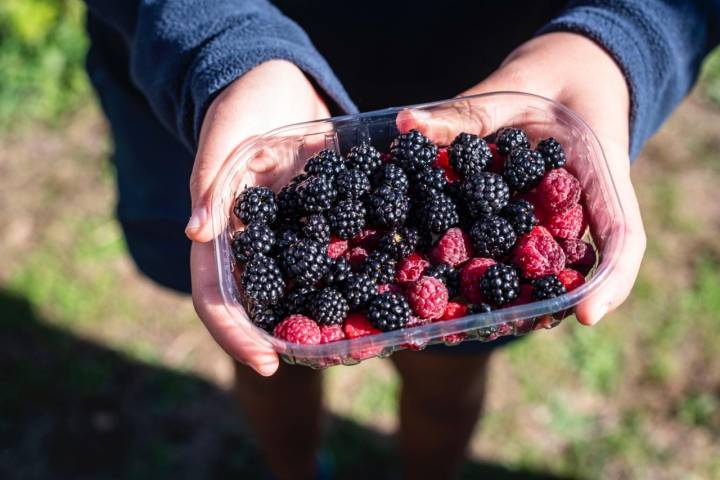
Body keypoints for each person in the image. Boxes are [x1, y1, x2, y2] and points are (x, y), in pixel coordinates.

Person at [82, 1, 719, 478]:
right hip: (243, 95)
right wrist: (221, 45)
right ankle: (295, 470)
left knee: (449, 377)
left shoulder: (476, 237)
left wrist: (619, 41)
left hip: (501, 88)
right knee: (265, 355)